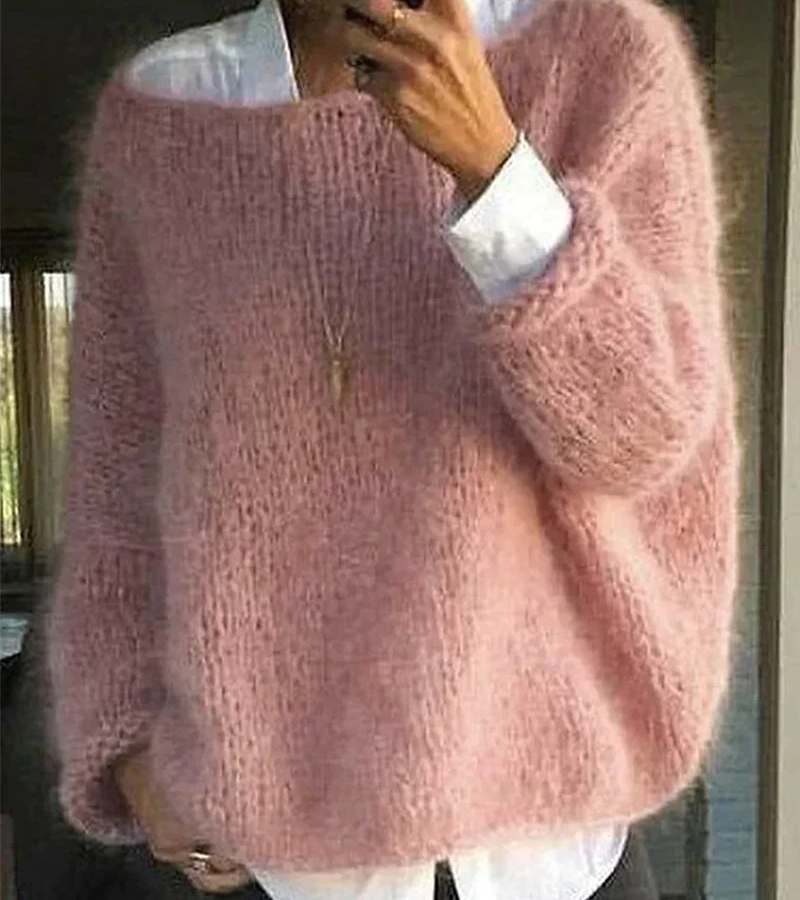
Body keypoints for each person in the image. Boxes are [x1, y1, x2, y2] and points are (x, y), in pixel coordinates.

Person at [45, 0, 739, 896]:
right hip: (265, 855)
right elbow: (117, 479)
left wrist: (496, 170)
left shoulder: (606, 55)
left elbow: (644, 439)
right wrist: (130, 747)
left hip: (546, 852)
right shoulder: (165, 109)